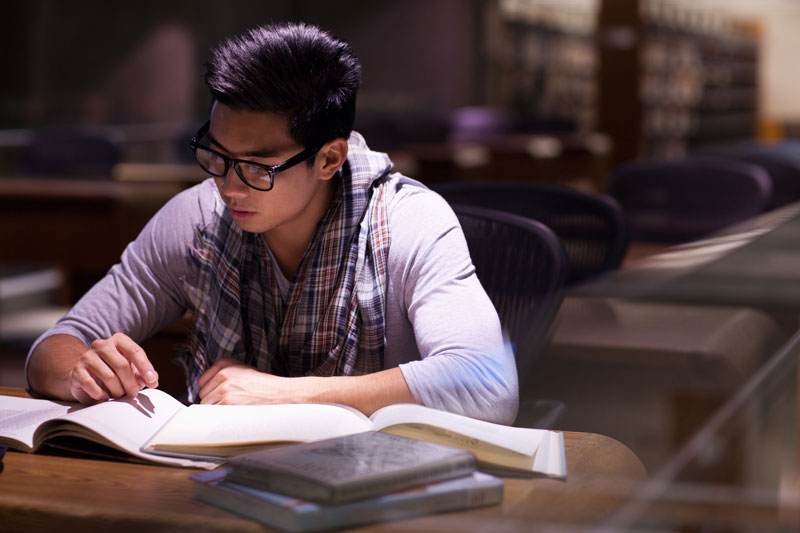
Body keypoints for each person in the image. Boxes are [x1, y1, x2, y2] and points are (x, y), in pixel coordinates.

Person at [26, 22, 518, 424]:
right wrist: (80, 372)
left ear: (329, 159)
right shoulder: (198, 216)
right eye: (216, 155)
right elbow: (53, 347)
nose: (229, 186)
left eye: (259, 166)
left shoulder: (409, 222)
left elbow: (485, 383)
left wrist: (286, 394)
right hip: (218, 482)